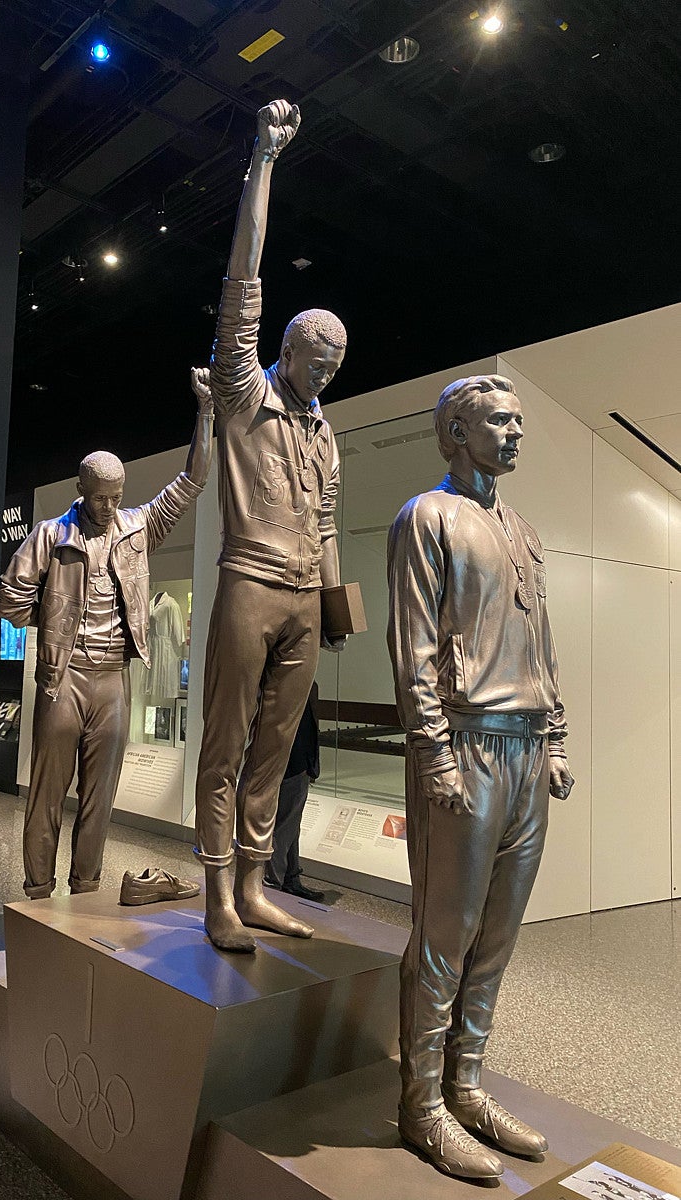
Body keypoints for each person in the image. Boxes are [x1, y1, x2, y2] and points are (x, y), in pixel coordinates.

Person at [387, 375, 574, 1179]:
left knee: (496, 938)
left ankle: (465, 1082)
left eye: (519, 419)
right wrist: (432, 753)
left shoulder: (524, 530)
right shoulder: (426, 518)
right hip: (464, 748)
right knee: (444, 938)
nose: (514, 432)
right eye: (498, 420)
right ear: (455, 434)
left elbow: (543, 644)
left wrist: (557, 736)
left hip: (528, 751)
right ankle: (420, 1102)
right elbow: (415, 650)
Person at [193, 99, 348, 953]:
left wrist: (331, 604)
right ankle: (217, 892)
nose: (323, 377)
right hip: (248, 582)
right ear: (284, 353)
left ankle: (254, 885)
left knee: (277, 749)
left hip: (300, 601)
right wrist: (263, 160)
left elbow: (326, 521)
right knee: (226, 743)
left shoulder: (326, 432)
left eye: (334, 368)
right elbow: (241, 285)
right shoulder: (245, 396)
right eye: (314, 362)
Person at [0, 369, 214, 899]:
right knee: (48, 793)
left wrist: (206, 413)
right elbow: (9, 598)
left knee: (101, 796)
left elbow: (192, 483)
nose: (109, 507)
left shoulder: (138, 528)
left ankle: (86, 891)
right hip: (63, 676)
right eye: (99, 498)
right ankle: (37, 893)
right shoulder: (51, 534)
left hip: (113, 676)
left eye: (116, 496)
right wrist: (48, 628)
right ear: (80, 491)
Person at [263, 682, 324, 901]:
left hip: (294, 764)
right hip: (291, 764)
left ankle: (290, 878)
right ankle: (273, 884)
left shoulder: (300, 684)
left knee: (290, 825)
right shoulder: (288, 685)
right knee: (284, 826)